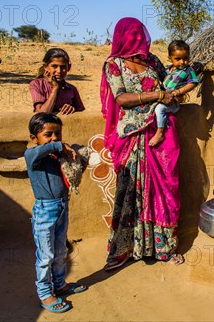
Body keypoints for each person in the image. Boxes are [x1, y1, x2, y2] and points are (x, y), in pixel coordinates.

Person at [100, 17, 185, 270]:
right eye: (134, 34)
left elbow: (171, 81)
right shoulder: (113, 64)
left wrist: (184, 82)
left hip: (159, 132)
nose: (139, 39)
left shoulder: (152, 61)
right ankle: (125, 248)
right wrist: (158, 95)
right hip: (133, 136)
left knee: (162, 189)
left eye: (141, 33)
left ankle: (163, 247)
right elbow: (122, 99)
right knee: (130, 191)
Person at [24, 113, 88, 313]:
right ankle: (45, 293)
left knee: (60, 250)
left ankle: (60, 285)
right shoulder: (32, 155)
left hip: (61, 207)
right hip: (45, 211)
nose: (54, 138)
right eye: (47, 134)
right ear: (34, 138)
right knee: (46, 255)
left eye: (58, 134)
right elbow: (48, 148)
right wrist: (60, 145)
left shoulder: (54, 156)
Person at [148, 40, 199, 147]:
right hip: (165, 98)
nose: (182, 62)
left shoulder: (188, 70)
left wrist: (178, 92)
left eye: (185, 58)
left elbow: (193, 83)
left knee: (159, 109)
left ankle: (160, 132)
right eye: (178, 59)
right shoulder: (168, 69)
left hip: (173, 102)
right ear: (169, 58)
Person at [30, 48, 85, 115]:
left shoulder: (72, 89)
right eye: (54, 66)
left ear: (69, 67)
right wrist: (55, 88)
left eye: (63, 67)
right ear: (45, 67)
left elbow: (81, 114)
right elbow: (42, 114)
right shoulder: (37, 84)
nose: (59, 71)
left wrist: (72, 109)